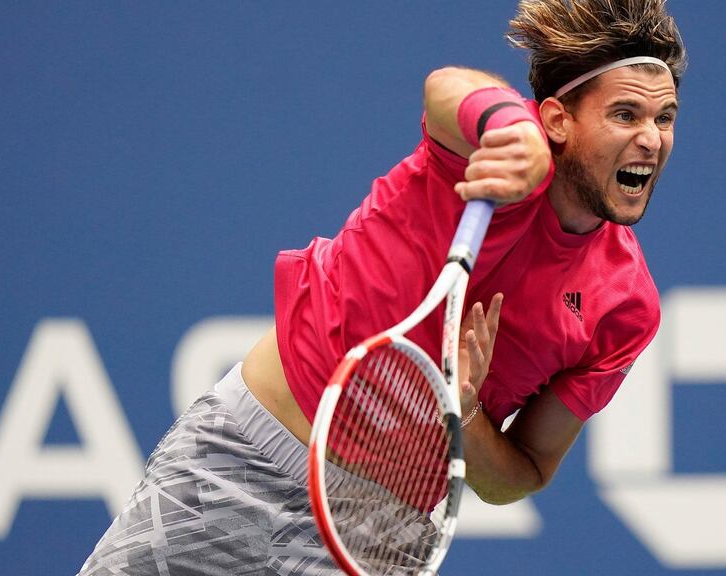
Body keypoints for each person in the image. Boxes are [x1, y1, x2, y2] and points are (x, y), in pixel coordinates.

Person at [78, 0, 686, 573]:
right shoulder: (491, 156)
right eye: (624, 115)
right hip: (242, 458)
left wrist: (462, 411)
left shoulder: (625, 307)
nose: (651, 139)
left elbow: (517, 479)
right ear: (556, 120)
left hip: (378, 535)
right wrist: (513, 135)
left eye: (664, 118)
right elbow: (446, 87)